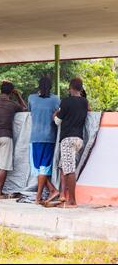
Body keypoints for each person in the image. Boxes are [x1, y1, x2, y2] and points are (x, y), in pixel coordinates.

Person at [54, 77, 88, 208]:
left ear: (71, 88)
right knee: (64, 166)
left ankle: (72, 201)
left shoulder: (66, 101)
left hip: (67, 138)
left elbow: (58, 121)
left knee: (69, 170)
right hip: (79, 139)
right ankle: (63, 196)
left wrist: (55, 114)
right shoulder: (85, 102)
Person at [0, 81, 27, 199]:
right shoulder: (13, 104)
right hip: (6, 136)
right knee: (3, 166)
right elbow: (25, 108)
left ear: (0, 90)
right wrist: (18, 95)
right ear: (11, 92)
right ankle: (0, 192)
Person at [28, 77, 60, 204]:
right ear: (51, 86)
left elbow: (30, 110)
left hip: (35, 137)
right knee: (43, 168)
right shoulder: (56, 99)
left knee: (38, 168)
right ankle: (52, 190)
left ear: (38, 85)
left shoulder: (31, 98)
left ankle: (38, 197)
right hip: (49, 137)